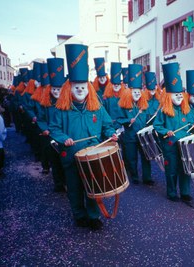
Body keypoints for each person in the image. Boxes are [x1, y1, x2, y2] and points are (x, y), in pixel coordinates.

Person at [49, 44, 118, 230]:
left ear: (88, 88)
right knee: (74, 188)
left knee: (94, 187)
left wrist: (111, 134)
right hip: (71, 155)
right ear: (68, 88)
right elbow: (53, 129)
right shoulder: (60, 109)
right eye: (76, 86)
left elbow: (107, 125)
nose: (80, 90)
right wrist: (64, 138)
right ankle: (79, 215)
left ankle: (93, 216)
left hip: (93, 155)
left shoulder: (98, 107)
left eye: (83, 87)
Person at [153, 62, 194, 202]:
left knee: (185, 169)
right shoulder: (164, 111)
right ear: (168, 96)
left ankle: (185, 192)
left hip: (185, 145)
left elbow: (193, 124)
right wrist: (166, 131)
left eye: (180, 94)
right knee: (171, 171)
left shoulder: (187, 110)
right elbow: (157, 125)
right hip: (171, 146)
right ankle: (172, 192)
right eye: (176, 94)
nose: (179, 96)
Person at [117, 64, 154, 185]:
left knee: (146, 157)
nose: (137, 93)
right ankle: (134, 176)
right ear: (129, 93)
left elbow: (149, 118)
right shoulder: (123, 106)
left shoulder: (144, 105)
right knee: (132, 158)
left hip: (142, 137)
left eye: (139, 91)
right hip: (130, 136)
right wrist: (128, 121)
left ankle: (147, 178)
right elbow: (119, 119)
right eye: (134, 91)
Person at [38, 57, 67, 192]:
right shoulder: (46, 104)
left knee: (66, 161)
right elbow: (41, 119)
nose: (56, 92)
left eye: (59, 89)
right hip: (51, 137)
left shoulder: (67, 104)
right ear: (50, 90)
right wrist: (45, 129)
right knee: (55, 161)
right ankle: (58, 183)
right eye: (54, 89)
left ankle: (68, 182)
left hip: (65, 136)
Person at [102, 62, 126, 130]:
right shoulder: (106, 99)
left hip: (122, 126)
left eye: (118, 84)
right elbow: (104, 113)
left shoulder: (124, 98)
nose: (116, 85)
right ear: (110, 85)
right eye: (114, 84)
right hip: (110, 126)